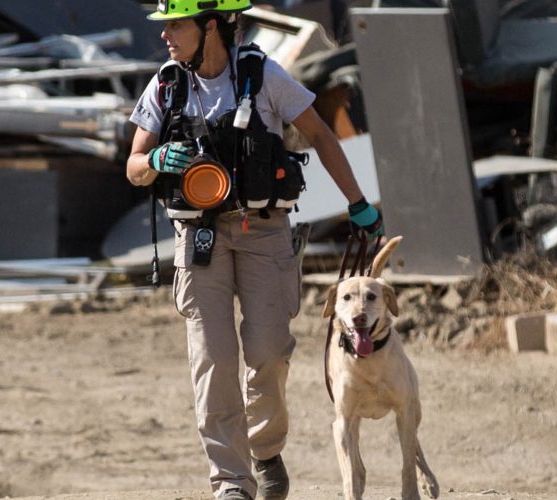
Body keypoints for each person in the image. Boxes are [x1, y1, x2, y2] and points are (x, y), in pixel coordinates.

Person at [124, 1, 382, 498]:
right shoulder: (166, 84)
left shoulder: (262, 75)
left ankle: (264, 450)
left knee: (267, 355)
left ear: (210, 26)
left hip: (264, 233)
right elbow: (134, 165)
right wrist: (154, 158)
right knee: (213, 361)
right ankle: (231, 483)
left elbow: (321, 136)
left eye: (175, 25)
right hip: (198, 241)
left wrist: (358, 203)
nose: (166, 37)